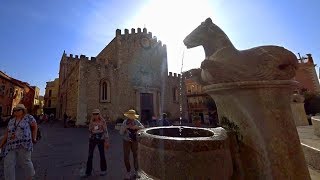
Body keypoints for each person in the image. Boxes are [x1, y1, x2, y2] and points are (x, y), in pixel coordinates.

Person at [0, 104, 38, 180]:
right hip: (11, 145)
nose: (16, 111)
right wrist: (1, 145)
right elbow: (7, 133)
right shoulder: (11, 121)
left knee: (26, 162)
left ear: (23, 110)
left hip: (24, 144)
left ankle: (30, 177)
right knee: (8, 163)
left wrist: (34, 138)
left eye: (18, 110)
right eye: (15, 110)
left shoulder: (28, 117)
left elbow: (35, 127)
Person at [82, 109, 109, 177]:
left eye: (97, 114)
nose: (95, 115)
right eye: (94, 114)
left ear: (99, 114)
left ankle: (103, 170)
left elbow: (105, 131)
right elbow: (89, 129)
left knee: (102, 154)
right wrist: (92, 127)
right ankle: (88, 172)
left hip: (100, 139)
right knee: (90, 155)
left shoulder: (102, 121)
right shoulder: (92, 121)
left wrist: (106, 140)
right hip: (93, 138)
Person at [120, 109, 144, 179]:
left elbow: (143, 128)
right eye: (130, 117)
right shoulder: (125, 122)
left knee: (135, 156)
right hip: (126, 141)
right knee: (126, 157)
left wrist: (137, 127)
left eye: (132, 117)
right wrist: (125, 128)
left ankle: (136, 171)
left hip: (134, 141)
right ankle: (128, 172)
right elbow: (121, 133)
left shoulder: (136, 122)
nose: (131, 118)